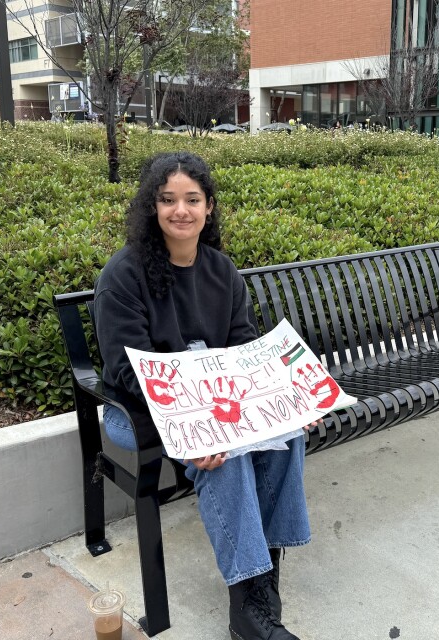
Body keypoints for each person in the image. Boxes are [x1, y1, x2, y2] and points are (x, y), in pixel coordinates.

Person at [93, 152, 313, 640]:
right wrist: (192, 422)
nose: (180, 211)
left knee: (288, 435)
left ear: (208, 207)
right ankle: (252, 606)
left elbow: (245, 349)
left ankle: (258, 593)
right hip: (143, 409)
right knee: (225, 454)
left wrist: (292, 400)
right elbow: (127, 371)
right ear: (153, 207)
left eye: (192, 200)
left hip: (215, 401)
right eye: (168, 200)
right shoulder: (124, 275)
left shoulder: (221, 270)